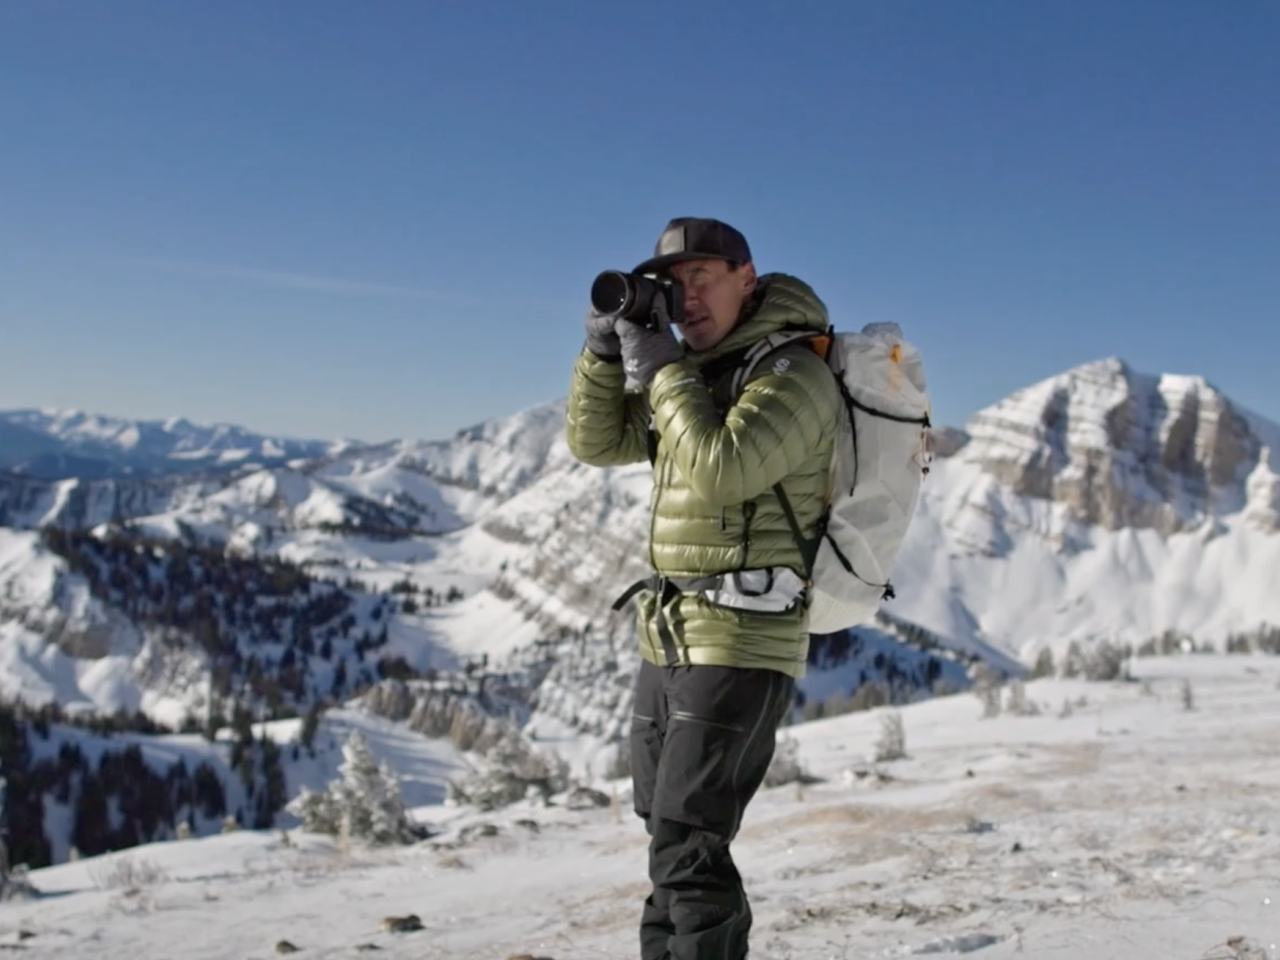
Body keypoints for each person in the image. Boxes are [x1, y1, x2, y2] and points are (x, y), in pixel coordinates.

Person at [564, 217, 842, 960]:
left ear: (746, 279)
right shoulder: (699, 378)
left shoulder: (794, 373)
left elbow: (722, 469)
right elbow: (594, 441)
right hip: (671, 630)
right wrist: (602, 349)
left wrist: (660, 372)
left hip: (743, 637)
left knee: (689, 845)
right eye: (672, 285)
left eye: (702, 279)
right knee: (666, 834)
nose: (685, 299)